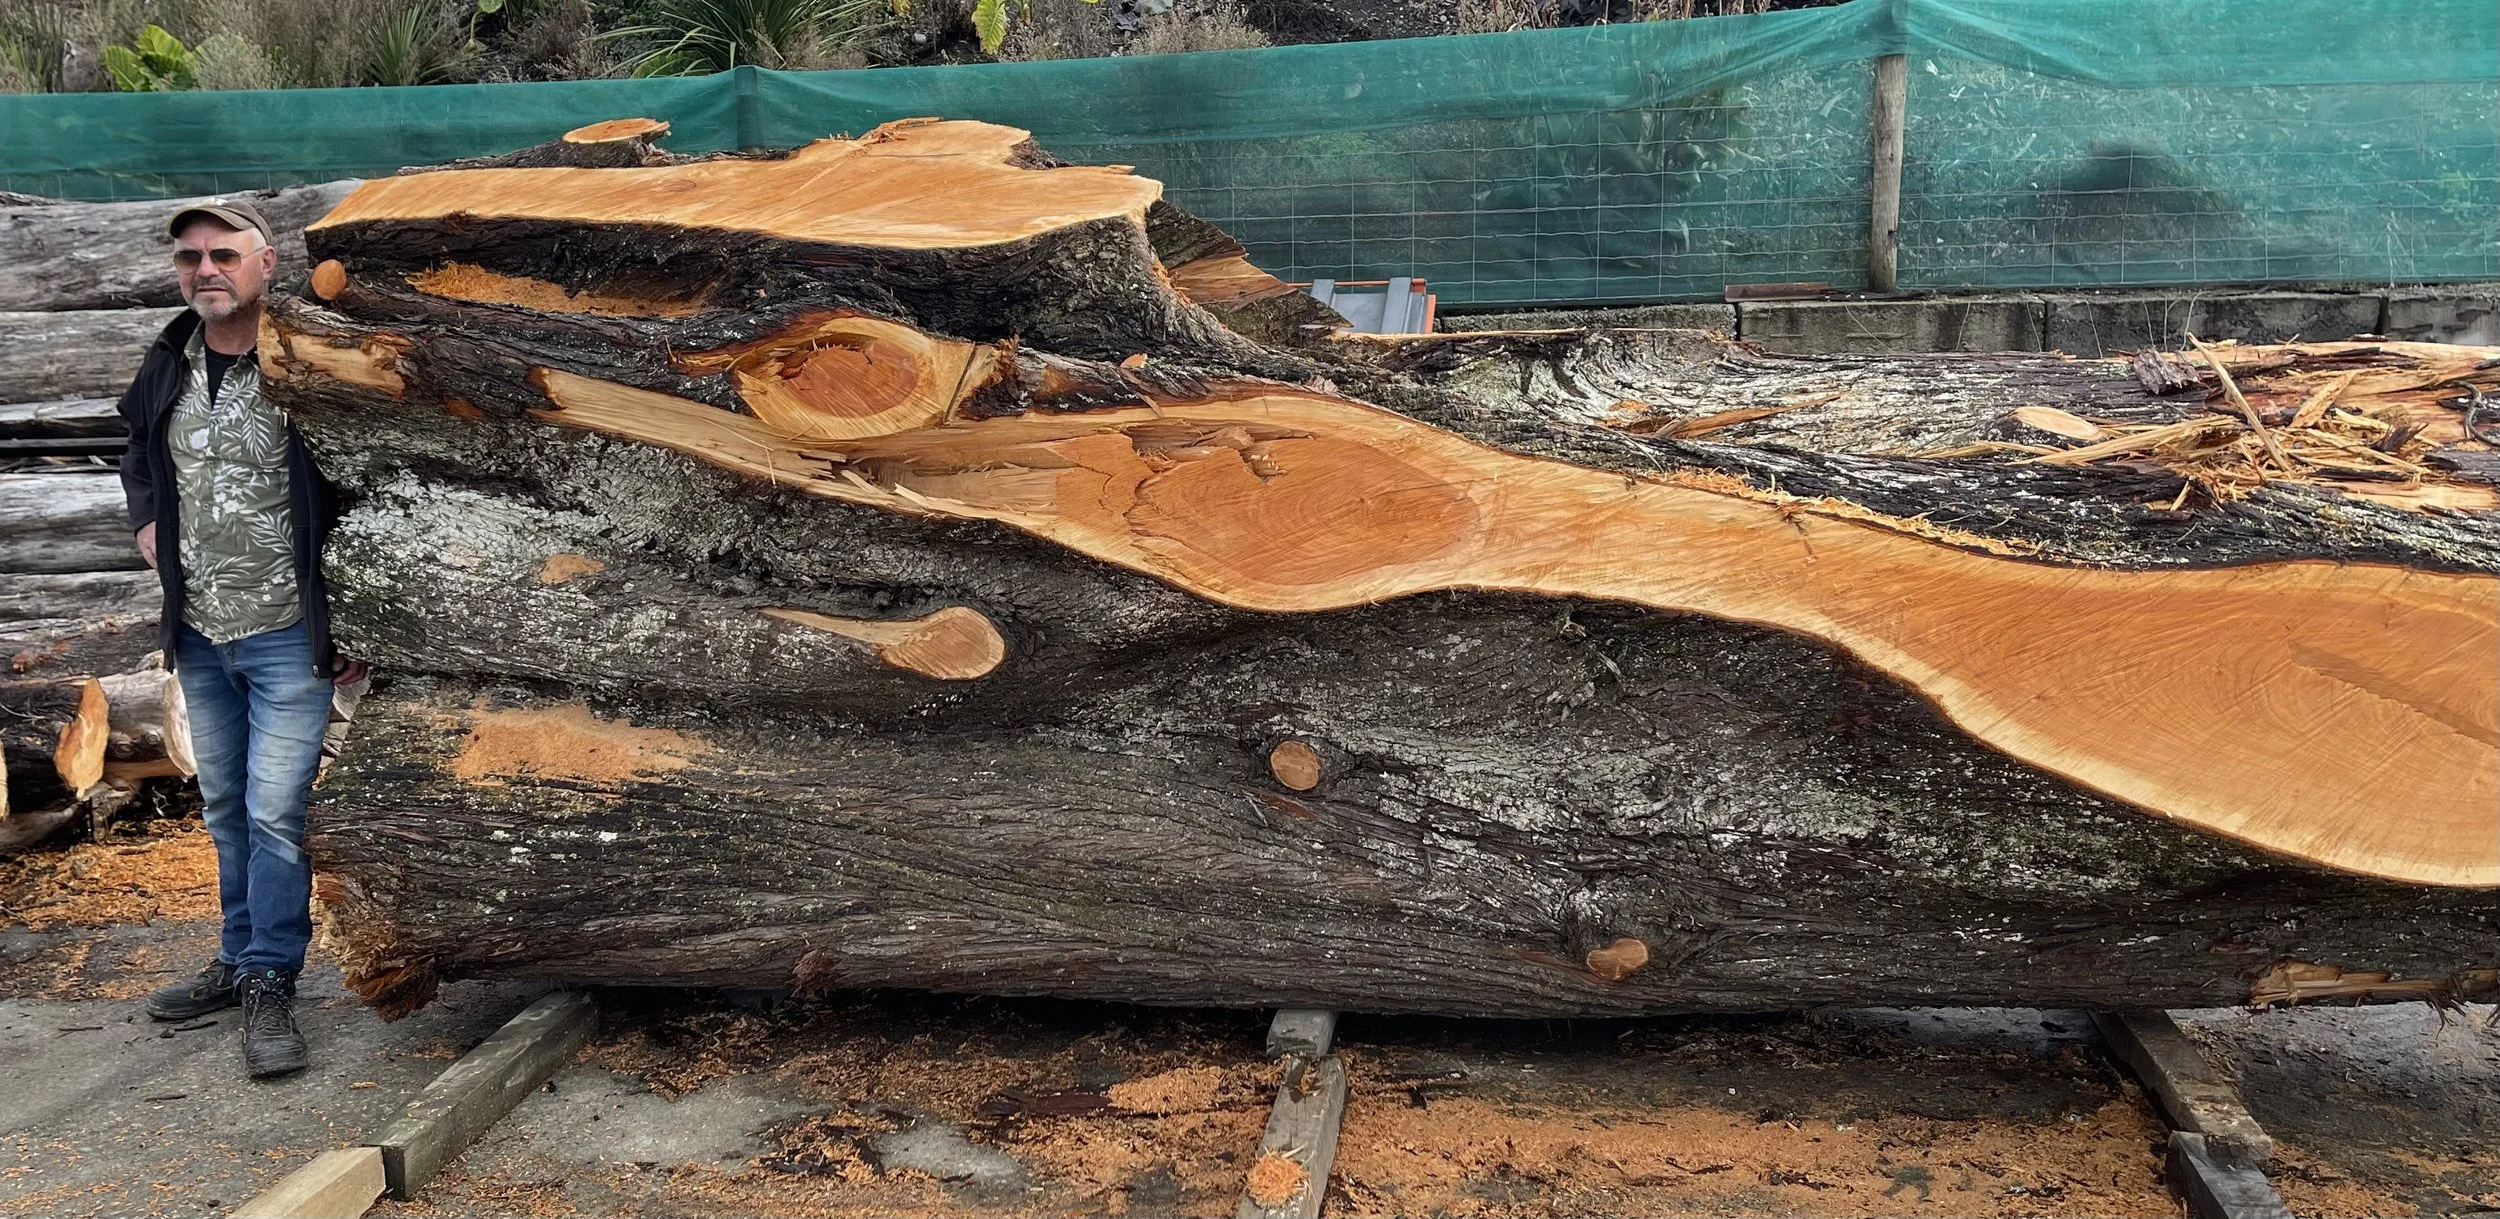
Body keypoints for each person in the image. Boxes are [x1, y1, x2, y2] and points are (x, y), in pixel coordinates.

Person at [115, 199, 365, 1079]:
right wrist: (147, 519)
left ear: (266, 264)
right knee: (223, 805)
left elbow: (359, 481)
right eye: (190, 258)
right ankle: (235, 955)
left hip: (288, 630)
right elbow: (137, 449)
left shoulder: (303, 358)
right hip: (199, 630)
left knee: (275, 809)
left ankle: (270, 977)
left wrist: (354, 615)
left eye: (223, 254)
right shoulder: (170, 357)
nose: (205, 269)